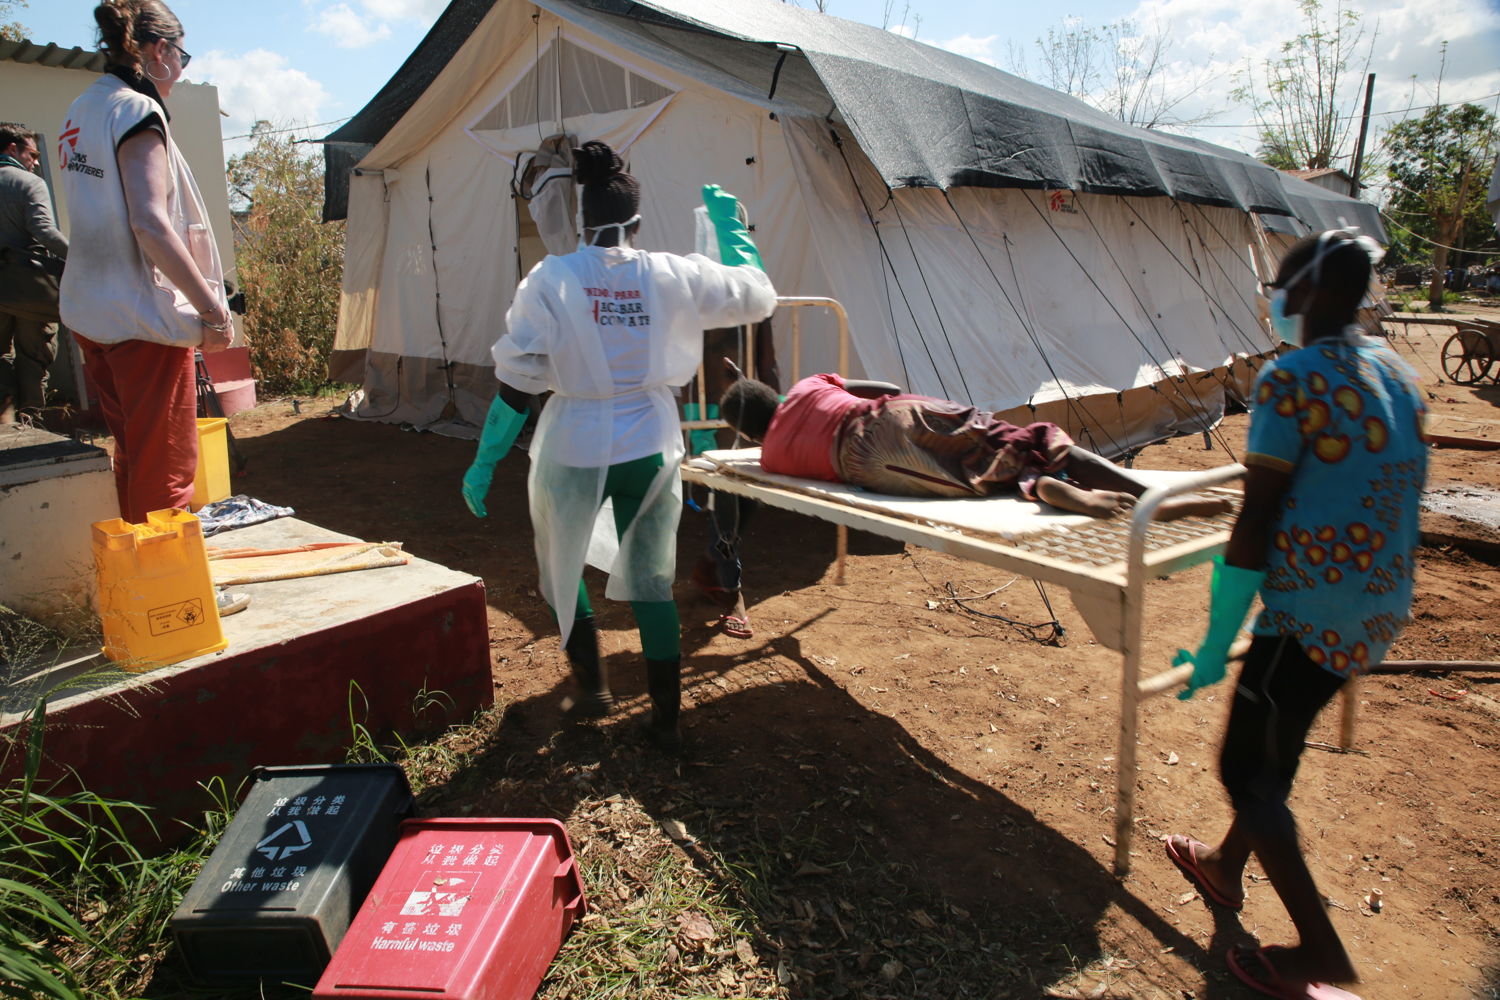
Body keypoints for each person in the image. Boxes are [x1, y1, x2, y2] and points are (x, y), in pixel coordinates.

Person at [1164, 230, 1427, 1000]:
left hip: (1309, 611)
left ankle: (1320, 952)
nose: (1273, 299)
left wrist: (1218, 639)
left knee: (1245, 771)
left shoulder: (1292, 380)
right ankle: (1222, 868)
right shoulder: (1400, 374)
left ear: (1307, 294)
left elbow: (1256, 521)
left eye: (1280, 285)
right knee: (1280, 744)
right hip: (1379, 605)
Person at [462, 141, 776, 752]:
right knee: (651, 579)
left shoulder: (550, 278)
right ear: (636, 222)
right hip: (652, 445)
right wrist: (732, 230)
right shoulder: (672, 272)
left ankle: (590, 686)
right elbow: (756, 294)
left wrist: (484, 462)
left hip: (573, 441)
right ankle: (665, 718)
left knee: (561, 566)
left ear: (580, 220)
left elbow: (516, 383)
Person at [59, 1, 245, 615]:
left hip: (91, 310)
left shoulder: (81, 109)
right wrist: (212, 313)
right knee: (168, 465)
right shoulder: (137, 111)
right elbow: (151, 224)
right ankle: (174, 600)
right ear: (158, 50)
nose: (180, 71)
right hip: (139, 317)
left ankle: (143, 586)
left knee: (134, 453)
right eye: (181, 57)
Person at [720, 370, 1232, 521]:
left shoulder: (769, 457)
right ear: (776, 393)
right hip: (881, 415)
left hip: (863, 464)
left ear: (748, 434)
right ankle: (1147, 497)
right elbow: (885, 391)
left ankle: (1043, 487)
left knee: (975, 480)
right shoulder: (809, 386)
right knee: (1014, 439)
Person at [0, 122, 68, 424]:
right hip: (28, 287)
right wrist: (84, 260)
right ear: (12, 149)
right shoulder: (27, 182)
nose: (36, 162)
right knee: (33, 358)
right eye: (33, 154)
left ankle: (4, 429)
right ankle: (31, 430)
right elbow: (43, 231)